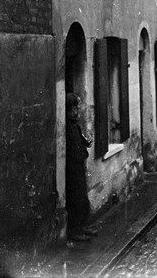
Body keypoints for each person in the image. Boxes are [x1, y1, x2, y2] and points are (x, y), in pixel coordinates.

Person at [65, 93, 97, 242]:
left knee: (83, 198)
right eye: (76, 108)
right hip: (72, 168)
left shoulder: (75, 125)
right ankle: (74, 230)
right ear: (70, 108)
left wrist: (86, 142)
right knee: (76, 199)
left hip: (79, 164)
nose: (78, 111)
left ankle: (82, 226)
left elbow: (81, 139)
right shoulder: (65, 126)